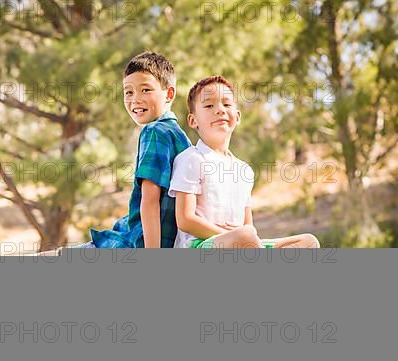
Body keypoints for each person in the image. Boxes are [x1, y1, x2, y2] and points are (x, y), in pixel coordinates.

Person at [169, 76, 320, 249]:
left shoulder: (244, 170)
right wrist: (227, 234)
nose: (220, 110)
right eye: (209, 105)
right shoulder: (191, 159)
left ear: (238, 116)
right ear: (193, 121)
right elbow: (185, 220)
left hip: (242, 242)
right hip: (199, 244)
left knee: (308, 242)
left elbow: (248, 225)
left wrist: (245, 236)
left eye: (226, 104)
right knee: (245, 236)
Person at [86, 51, 192, 248]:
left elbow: (150, 200)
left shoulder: (154, 131)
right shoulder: (180, 136)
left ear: (169, 94)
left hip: (142, 242)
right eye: (128, 92)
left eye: (145, 90)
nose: (135, 99)